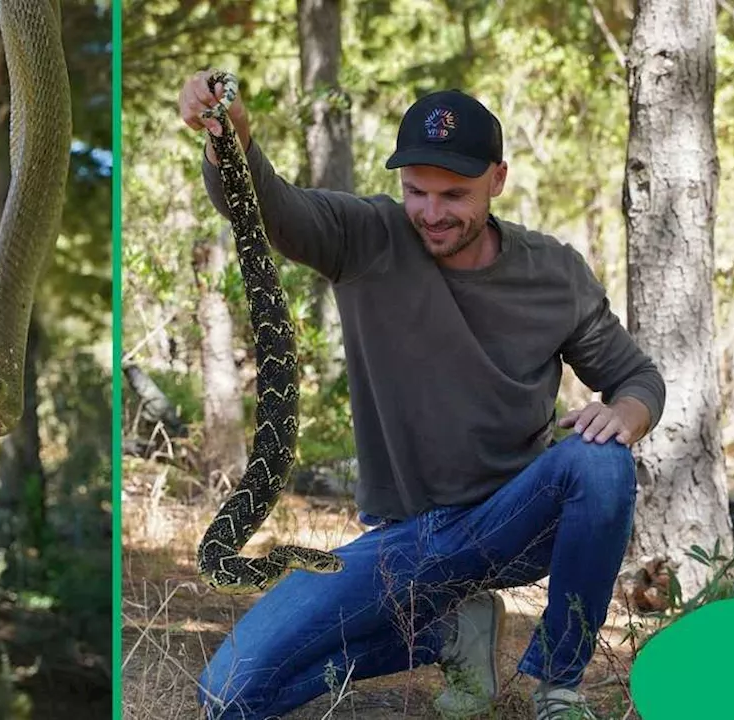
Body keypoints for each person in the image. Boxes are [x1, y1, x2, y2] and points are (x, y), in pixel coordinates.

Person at [179, 72, 666, 720]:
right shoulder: (367, 237)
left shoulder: (554, 273)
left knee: (600, 460)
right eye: (417, 191)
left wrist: (625, 414)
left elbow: (638, 378)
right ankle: (446, 632)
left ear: (498, 179)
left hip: (515, 524)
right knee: (228, 694)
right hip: (405, 542)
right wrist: (229, 140)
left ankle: (557, 686)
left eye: (454, 194)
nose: (432, 212)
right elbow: (270, 206)